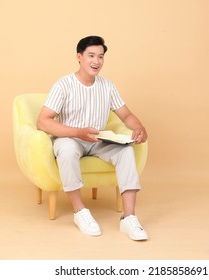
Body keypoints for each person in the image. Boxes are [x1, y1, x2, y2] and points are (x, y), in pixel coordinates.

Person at [37, 36, 148, 241]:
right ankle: (80, 212)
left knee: (125, 150)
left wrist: (139, 126)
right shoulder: (64, 85)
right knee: (67, 149)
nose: (96, 61)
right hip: (71, 138)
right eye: (91, 56)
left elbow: (126, 115)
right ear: (79, 57)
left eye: (100, 56)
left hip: (98, 140)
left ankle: (129, 218)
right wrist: (78, 132)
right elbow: (43, 121)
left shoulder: (107, 86)